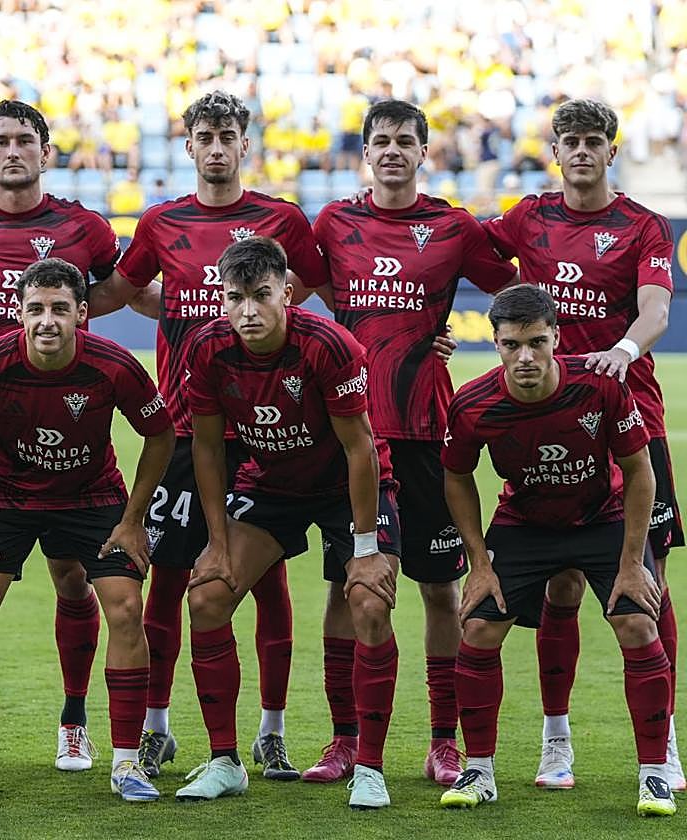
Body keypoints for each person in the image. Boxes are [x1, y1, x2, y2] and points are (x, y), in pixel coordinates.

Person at [91, 90, 328, 782]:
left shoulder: (282, 219)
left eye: (228, 136)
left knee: (266, 579)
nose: (217, 147)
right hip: (183, 426)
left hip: (262, 428)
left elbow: (319, 286)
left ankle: (271, 731)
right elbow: (124, 290)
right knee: (167, 577)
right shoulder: (161, 222)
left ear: (244, 144)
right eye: (206, 136)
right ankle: (157, 727)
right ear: (189, 145)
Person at [306, 99, 518, 785]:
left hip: (426, 431)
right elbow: (295, 293)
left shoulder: (453, 227)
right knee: (347, 587)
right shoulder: (334, 223)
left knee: (438, 589)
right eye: (382, 140)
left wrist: (445, 336)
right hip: (351, 434)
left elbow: (518, 290)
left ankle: (442, 742)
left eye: (405, 140)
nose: (393, 150)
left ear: (424, 152)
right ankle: (344, 740)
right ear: (365, 152)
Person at [482, 98, 683, 790]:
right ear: (556, 151)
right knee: (561, 583)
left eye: (594, 140)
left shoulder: (642, 225)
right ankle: (555, 740)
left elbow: (658, 305)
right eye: (570, 140)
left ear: (611, 150)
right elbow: (461, 260)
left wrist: (625, 349)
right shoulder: (527, 217)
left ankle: (665, 742)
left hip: (632, 421)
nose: (581, 151)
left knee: (648, 582)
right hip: (547, 423)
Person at [0, 99, 135, 769]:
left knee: (73, 578)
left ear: (46, 152)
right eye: (1, 141)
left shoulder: (84, 227)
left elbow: (116, 290)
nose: (13, 150)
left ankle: (74, 719)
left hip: (65, 425)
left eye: (26, 139)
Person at [0, 258, 175, 802]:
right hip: (8, 494)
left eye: (60, 309)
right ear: (19, 313)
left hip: (92, 496)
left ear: (81, 314)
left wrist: (133, 519)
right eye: (36, 309)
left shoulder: (114, 364)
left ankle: (127, 764)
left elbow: (160, 434)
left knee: (125, 608)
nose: (48, 321)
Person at [175, 236, 401, 809]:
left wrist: (367, 548)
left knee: (369, 603)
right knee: (206, 598)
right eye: (236, 298)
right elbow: (207, 448)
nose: (248, 310)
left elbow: (360, 449)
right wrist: (217, 543)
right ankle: (225, 761)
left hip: (346, 485)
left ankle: (369, 768)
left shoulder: (328, 345)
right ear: (221, 299)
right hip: (273, 483)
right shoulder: (206, 347)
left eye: (261, 295)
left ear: (287, 294)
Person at [439, 285, 675, 817]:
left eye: (536, 343)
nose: (525, 357)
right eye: (511, 345)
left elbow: (640, 471)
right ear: (495, 343)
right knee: (478, 627)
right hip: (525, 523)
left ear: (556, 338)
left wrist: (632, 562)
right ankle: (480, 771)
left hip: (602, 518)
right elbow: (456, 478)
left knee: (638, 623)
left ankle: (655, 775)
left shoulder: (600, 386)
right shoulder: (473, 404)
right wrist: (479, 564)